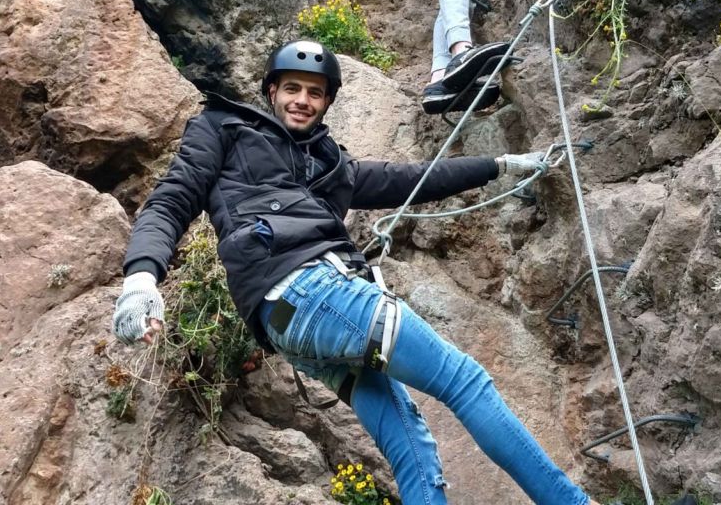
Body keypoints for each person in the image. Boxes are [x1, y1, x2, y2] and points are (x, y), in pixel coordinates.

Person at [113, 40, 599, 505]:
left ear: (326, 102)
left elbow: (413, 178)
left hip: (290, 324)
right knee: (464, 380)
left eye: (315, 92)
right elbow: (171, 199)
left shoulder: (330, 166)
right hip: (309, 290)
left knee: (411, 442)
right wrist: (141, 278)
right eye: (292, 89)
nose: (302, 101)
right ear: (271, 92)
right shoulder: (225, 128)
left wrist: (500, 165)